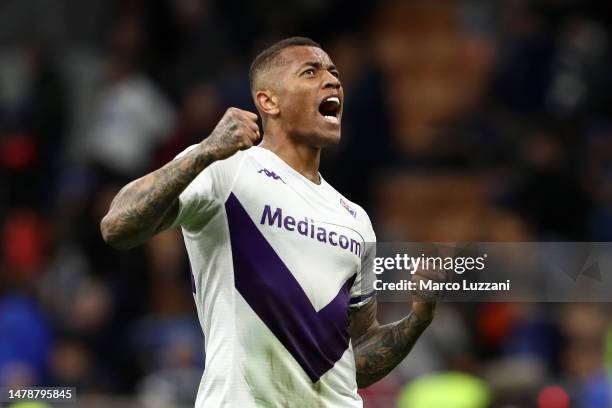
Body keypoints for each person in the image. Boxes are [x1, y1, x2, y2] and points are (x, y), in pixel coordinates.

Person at [101, 37, 441, 407]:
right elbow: (116, 225)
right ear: (268, 101)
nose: (332, 81)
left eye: (334, 73)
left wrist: (416, 320)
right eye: (311, 72)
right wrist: (205, 151)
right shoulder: (227, 166)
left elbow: (354, 359)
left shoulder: (355, 219)